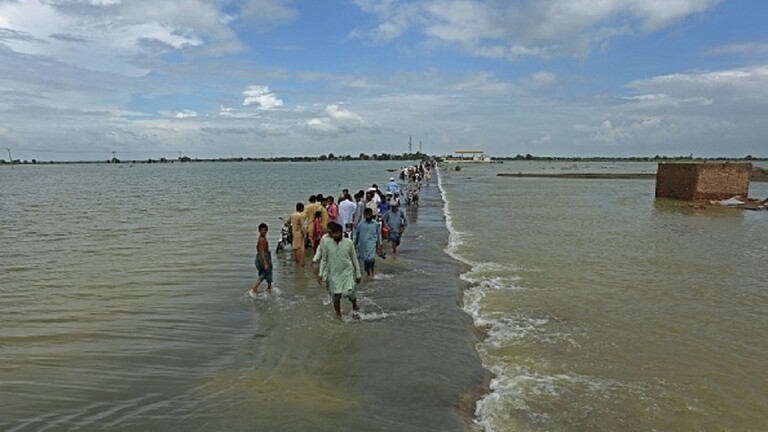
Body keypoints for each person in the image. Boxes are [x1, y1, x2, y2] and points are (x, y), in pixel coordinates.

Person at [315, 222, 362, 318]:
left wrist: (358, 274)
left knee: (350, 293)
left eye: (337, 233)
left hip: (347, 273)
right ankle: (338, 314)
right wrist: (320, 274)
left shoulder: (349, 243)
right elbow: (324, 260)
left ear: (341, 232)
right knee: (336, 296)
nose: (335, 235)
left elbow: (354, 259)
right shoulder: (328, 244)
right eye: (333, 234)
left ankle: (354, 305)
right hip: (334, 274)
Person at [354, 208, 383, 278]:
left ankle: (372, 272)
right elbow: (356, 234)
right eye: (366, 214)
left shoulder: (375, 224)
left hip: (372, 245)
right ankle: (368, 273)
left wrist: (380, 245)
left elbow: (379, 235)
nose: (367, 216)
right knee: (366, 260)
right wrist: (354, 244)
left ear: (371, 215)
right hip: (363, 246)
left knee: (371, 259)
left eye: (369, 214)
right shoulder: (360, 224)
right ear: (364, 215)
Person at [250, 223, 272, 296]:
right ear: (259, 231)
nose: (264, 232)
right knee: (266, 273)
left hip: (259, 257)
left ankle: (269, 288)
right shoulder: (262, 239)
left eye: (265, 230)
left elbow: (257, 248)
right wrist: (265, 262)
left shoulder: (260, 238)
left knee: (265, 273)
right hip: (264, 257)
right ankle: (254, 288)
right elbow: (262, 250)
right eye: (262, 230)